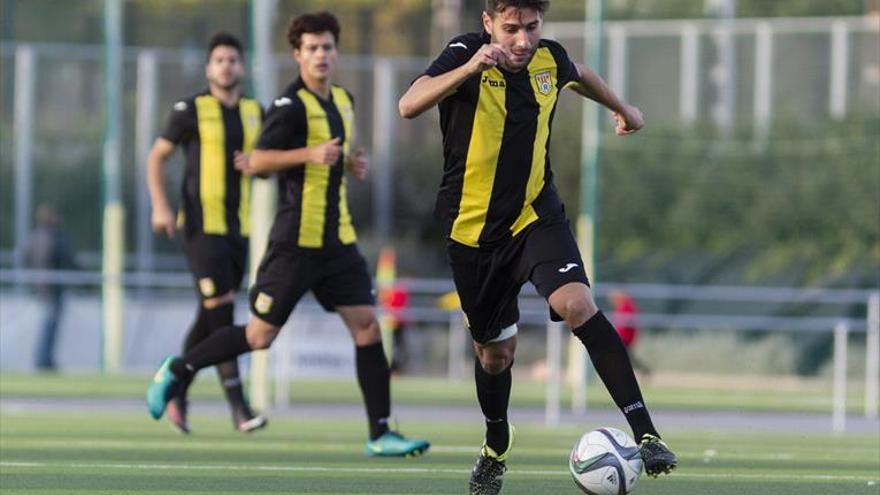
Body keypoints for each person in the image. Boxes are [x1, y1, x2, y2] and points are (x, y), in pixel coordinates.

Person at [398, 1, 677, 492]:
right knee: (495, 356)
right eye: (510, 29)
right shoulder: (463, 53)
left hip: (535, 216)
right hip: (473, 234)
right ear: (488, 24)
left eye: (531, 27)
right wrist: (469, 66)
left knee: (577, 303)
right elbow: (408, 103)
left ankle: (647, 433)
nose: (522, 41)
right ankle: (495, 444)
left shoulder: (550, 60)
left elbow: (581, 73)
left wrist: (624, 108)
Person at [147, 11, 430, 457]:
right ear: (297, 54)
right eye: (312, 48)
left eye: (327, 47)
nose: (321, 55)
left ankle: (381, 433)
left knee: (368, 328)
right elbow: (257, 162)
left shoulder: (344, 100)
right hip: (294, 244)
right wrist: (309, 153)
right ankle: (180, 368)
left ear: (336, 53)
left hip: (337, 241)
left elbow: (333, 158)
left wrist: (351, 163)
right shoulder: (287, 105)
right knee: (259, 337)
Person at [146, 32, 266, 434]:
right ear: (208, 68)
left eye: (233, 59)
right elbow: (157, 157)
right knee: (222, 309)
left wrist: (260, 165)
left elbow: (267, 163)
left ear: (242, 67)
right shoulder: (190, 109)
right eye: (219, 60)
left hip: (240, 229)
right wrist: (161, 205)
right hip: (200, 227)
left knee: (210, 313)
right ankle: (239, 407)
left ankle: (176, 382)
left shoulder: (255, 111)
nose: (226, 66)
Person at [25, 204, 76, 371]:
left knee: (48, 324)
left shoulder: (34, 237)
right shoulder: (54, 237)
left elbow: (26, 258)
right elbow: (66, 259)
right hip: (52, 288)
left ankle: (44, 359)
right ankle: (43, 360)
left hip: (42, 288)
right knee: (49, 325)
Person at [609, 289, 651, 375]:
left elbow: (624, 324)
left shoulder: (626, 307)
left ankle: (643, 370)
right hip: (624, 337)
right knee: (628, 358)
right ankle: (644, 370)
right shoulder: (624, 307)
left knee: (623, 357)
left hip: (624, 337)